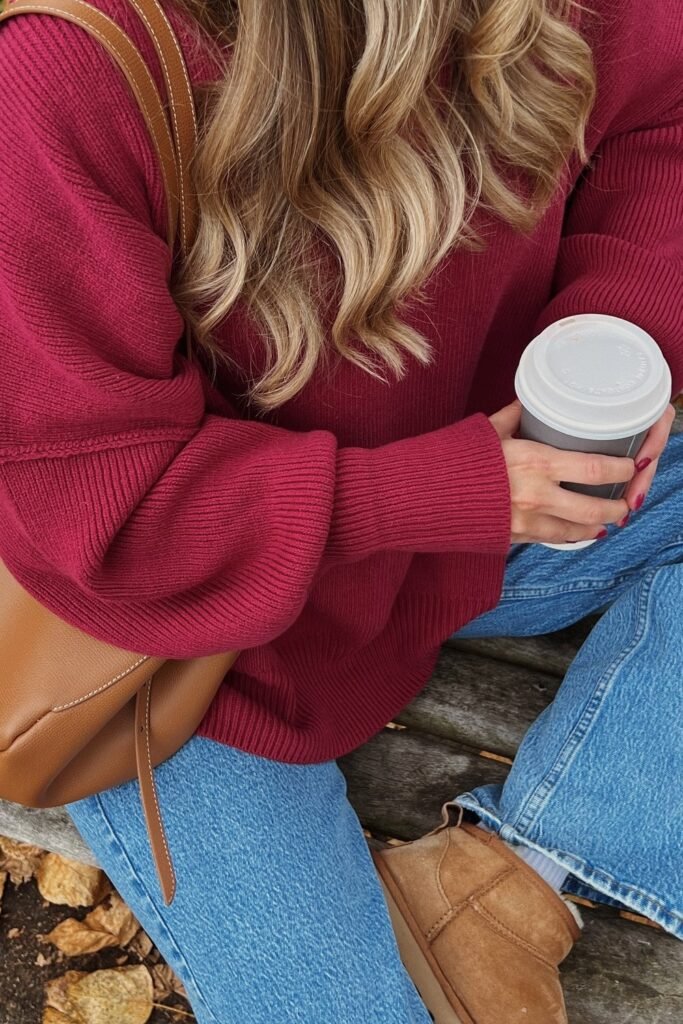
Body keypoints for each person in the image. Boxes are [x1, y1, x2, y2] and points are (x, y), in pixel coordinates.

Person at [0, 0, 680, 1020]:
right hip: (203, 657)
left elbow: (658, 121)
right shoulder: (65, 68)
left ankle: (516, 880)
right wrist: (434, 493)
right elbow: (101, 518)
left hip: (491, 526)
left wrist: (615, 341)